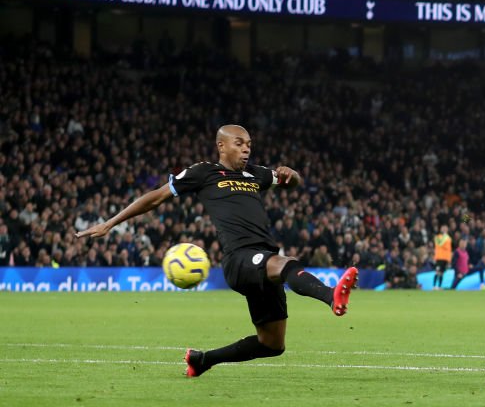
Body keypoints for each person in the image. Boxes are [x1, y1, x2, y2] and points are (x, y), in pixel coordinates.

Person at [76, 124, 358, 378]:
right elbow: (155, 197)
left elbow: (292, 182)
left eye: (248, 143)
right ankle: (330, 295)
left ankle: (202, 360)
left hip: (261, 259)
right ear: (221, 146)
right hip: (239, 259)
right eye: (238, 142)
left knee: (272, 344)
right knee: (287, 265)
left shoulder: (256, 174)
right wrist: (110, 223)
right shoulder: (204, 172)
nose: (246, 147)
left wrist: (291, 174)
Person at [432, 224, 452, 289]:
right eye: (443, 228)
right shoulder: (438, 237)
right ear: (441, 229)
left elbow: (449, 249)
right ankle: (434, 286)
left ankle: (439, 286)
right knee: (437, 272)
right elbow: (440, 244)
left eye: (445, 228)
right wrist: (445, 236)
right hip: (439, 257)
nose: (444, 230)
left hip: (445, 258)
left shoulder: (448, 238)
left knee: (442, 273)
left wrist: (449, 259)